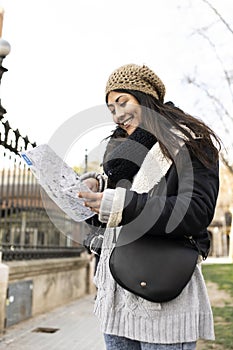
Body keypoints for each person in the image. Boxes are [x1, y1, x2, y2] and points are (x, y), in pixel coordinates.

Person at [78, 63, 221, 350]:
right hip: (116, 300)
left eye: (123, 102)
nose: (117, 115)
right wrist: (92, 193)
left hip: (163, 301)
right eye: (110, 108)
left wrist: (118, 203)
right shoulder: (119, 154)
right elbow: (114, 216)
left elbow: (195, 212)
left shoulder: (191, 142)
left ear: (145, 98)